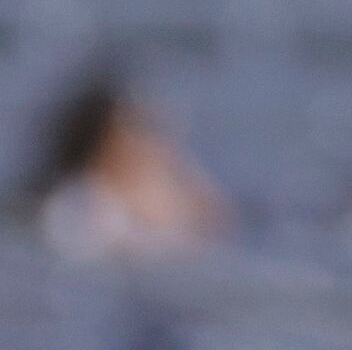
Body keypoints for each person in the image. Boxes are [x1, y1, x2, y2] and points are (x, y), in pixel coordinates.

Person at [26, 69, 232, 264]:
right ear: (106, 143)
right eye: (142, 129)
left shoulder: (132, 210)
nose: (158, 148)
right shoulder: (87, 208)